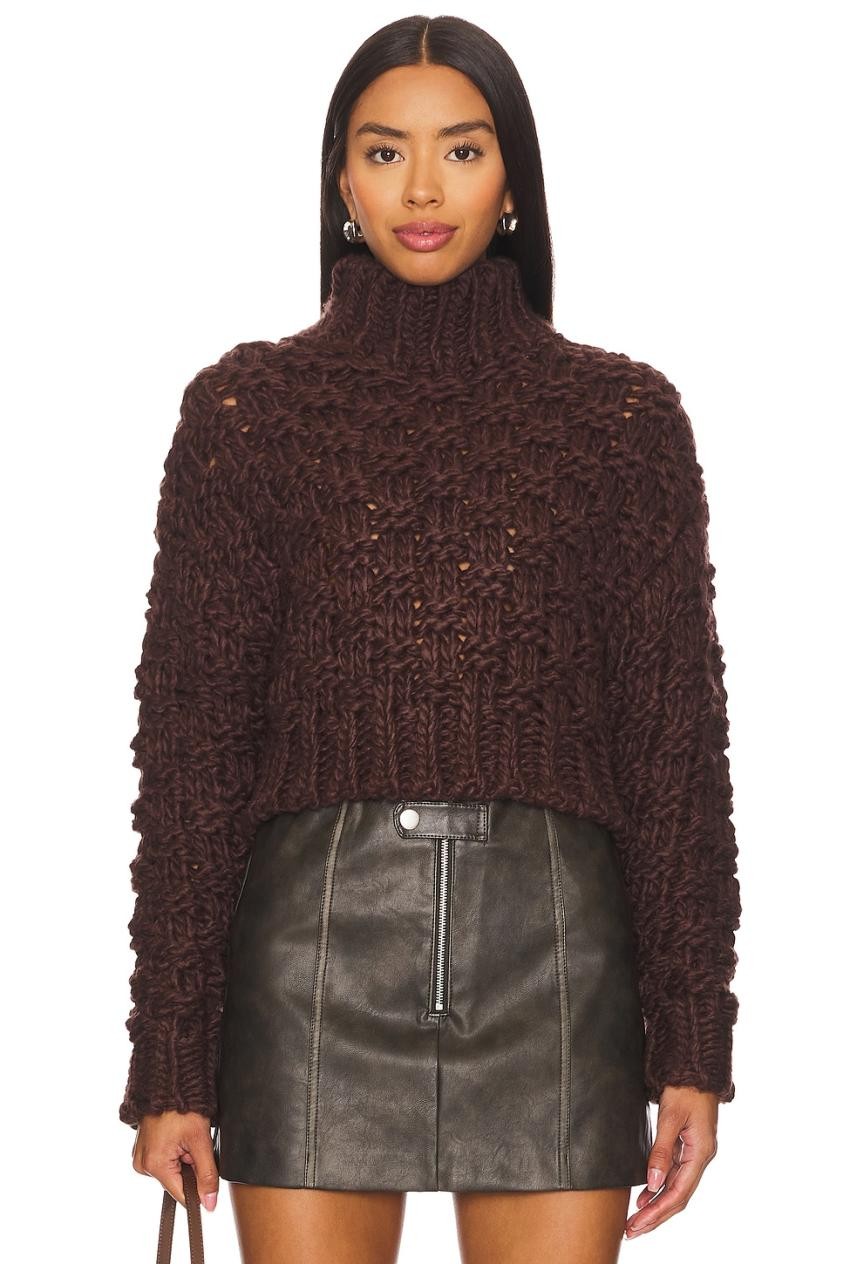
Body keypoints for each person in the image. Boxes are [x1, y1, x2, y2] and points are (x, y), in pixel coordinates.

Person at [119, 15, 741, 1264]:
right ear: (341, 180)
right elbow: (193, 757)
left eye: (461, 150)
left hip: (555, 961)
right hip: (311, 964)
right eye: (383, 151)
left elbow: (673, 750)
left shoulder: (623, 422)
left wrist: (693, 1045)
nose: (420, 189)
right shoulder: (246, 416)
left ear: (513, 180)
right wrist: (171, 1059)